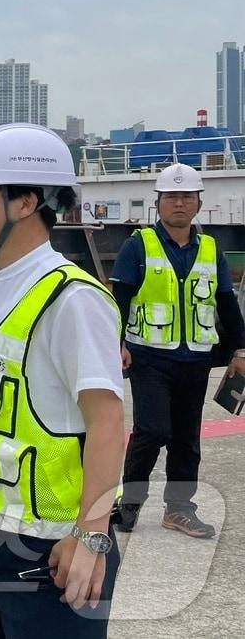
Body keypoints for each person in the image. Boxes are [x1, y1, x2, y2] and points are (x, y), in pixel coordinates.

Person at [0, 123, 125, 637]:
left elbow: (108, 422)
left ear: (25, 201)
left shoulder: (73, 299)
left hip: (45, 548)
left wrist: (91, 538)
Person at [111, 163, 245, 538]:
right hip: (149, 356)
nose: (180, 203)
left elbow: (226, 303)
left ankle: (180, 510)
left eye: (187, 196)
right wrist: (115, 343)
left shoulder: (210, 250)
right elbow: (118, 299)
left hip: (196, 359)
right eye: (172, 197)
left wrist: (239, 348)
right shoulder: (137, 245)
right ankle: (130, 505)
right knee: (152, 430)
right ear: (159, 203)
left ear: (199, 203)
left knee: (187, 437)